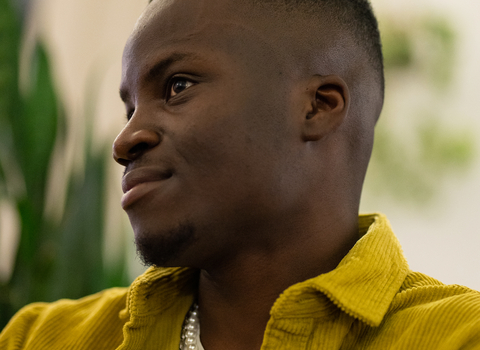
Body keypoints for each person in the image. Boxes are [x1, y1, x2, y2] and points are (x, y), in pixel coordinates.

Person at [1, 0, 480, 349]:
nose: (124, 141)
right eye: (129, 108)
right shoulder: (41, 338)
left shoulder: (461, 336)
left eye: (177, 86)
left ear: (318, 106)